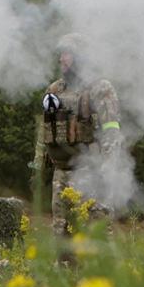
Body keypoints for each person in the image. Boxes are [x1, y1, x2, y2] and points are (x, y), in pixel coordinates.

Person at [37, 33, 124, 236]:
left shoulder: (100, 89)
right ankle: (64, 268)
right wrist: (38, 168)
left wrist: (107, 172)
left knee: (96, 234)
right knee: (62, 235)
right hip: (63, 174)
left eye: (66, 54)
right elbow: (45, 132)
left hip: (92, 173)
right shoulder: (55, 90)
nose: (61, 59)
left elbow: (112, 133)